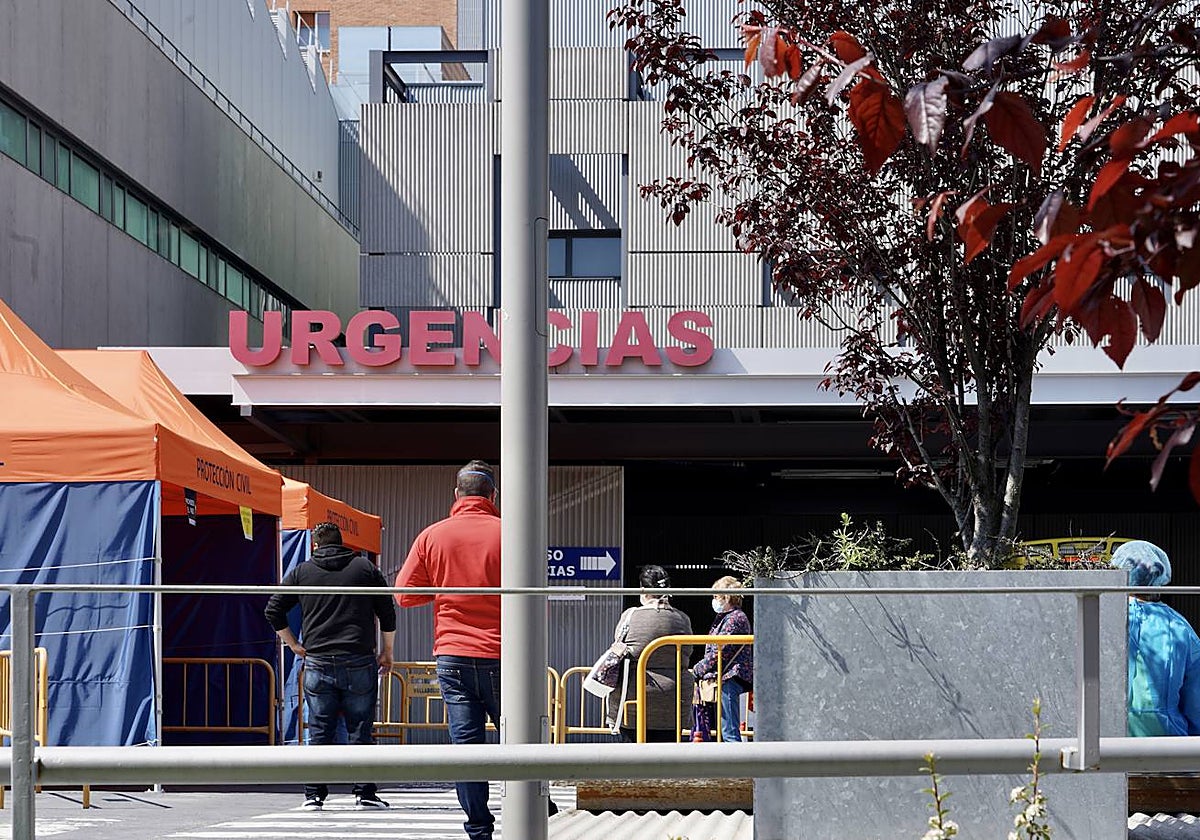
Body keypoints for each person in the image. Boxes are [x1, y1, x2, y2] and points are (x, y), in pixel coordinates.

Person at [397, 461, 556, 840]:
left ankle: (479, 830)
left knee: (467, 748)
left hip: (452, 655)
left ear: (457, 495)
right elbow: (537, 601)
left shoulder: (432, 536)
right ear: (493, 496)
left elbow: (404, 595)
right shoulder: (513, 534)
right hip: (505, 657)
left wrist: (448, 586)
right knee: (520, 741)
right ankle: (540, 811)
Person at [263, 521, 396, 811]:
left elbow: (273, 609)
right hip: (359, 659)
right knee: (360, 728)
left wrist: (294, 645)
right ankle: (364, 793)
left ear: (315, 545)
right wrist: (387, 651)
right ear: (343, 542)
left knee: (320, 729)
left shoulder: (302, 572)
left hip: (318, 661)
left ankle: (314, 795)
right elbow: (387, 611)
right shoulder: (364, 569)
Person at [1110, 540, 1200, 736]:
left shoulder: (1100, 618)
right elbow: (1196, 703)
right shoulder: (1179, 627)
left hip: (1105, 745)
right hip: (1168, 747)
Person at [604, 564, 694, 742]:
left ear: (643, 589)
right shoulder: (682, 619)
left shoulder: (631, 616)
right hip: (673, 701)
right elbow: (688, 652)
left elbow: (618, 647)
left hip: (635, 699)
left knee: (634, 762)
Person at [692, 575, 754, 742]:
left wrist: (698, 669)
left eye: (716, 596)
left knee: (729, 731)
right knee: (725, 728)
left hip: (730, 677)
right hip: (727, 676)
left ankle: (735, 764)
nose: (714, 600)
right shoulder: (728, 617)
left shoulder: (734, 619)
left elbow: (720, 651)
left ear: (726, 597)